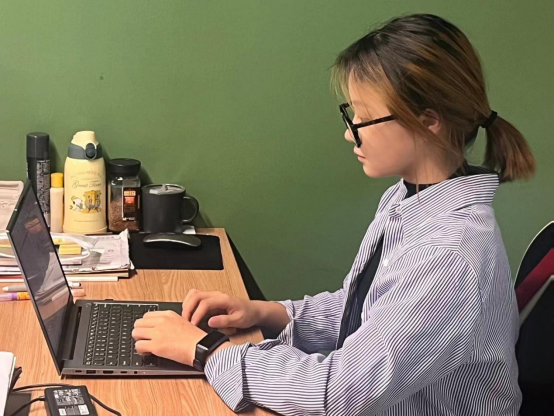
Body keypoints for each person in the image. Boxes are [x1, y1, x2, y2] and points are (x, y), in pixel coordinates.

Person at [132, 13, 535, 415]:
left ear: (428, 121)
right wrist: (267, 314)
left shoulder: (449, 256)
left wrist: (204, 350)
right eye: (351, 114)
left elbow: (338, 393)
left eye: (363, 117)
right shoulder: (406, 198)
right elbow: (365, 311)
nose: (349, 131)